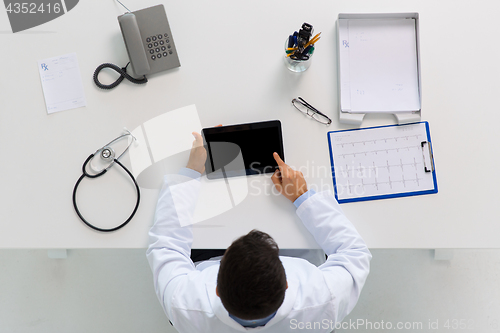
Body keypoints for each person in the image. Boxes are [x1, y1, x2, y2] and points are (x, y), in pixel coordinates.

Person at [147, 132, 371, 332]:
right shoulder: (324, 299)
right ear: (286, 284)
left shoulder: (184, 304)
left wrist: (191, 173)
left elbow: (167, 245)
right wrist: (302, 196)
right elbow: (354, 253)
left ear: (216, 289)